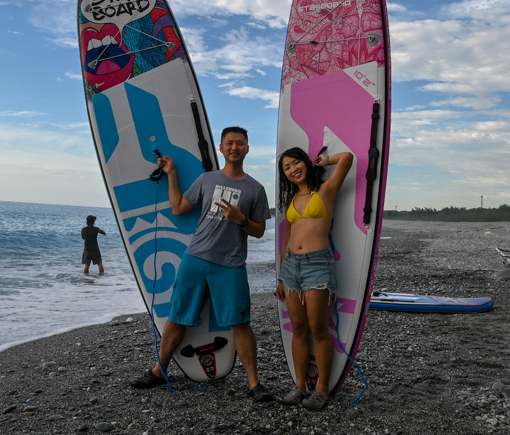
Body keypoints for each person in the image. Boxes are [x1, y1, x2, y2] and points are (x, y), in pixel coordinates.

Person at [129, 126, 274, 402]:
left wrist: (240, 219)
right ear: (220, 148)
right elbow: (178, 208)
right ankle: (159, 371)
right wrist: (171, 173)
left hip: (230, 265)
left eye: (240, 143)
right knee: (177, 316)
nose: (235, 147)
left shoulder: (255, 188)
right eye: (229, 143)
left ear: (247, 148)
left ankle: (254, 384)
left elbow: (259, 231)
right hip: (195, 258)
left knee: (240, 322)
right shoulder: (207, 179)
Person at [275, 146, 353, 411]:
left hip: (318, 264)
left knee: (319, 329)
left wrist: (325, 160)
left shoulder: (326, 191)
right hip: (291, 269)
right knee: (298, 329)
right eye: (287, 168)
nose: (293, 169)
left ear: (306, 164)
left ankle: (322, 390)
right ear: (284, 175)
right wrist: (280, 276)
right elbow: (287, 239)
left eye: (296, 163)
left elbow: (347, 158)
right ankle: (299, 386)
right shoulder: (291, 201)